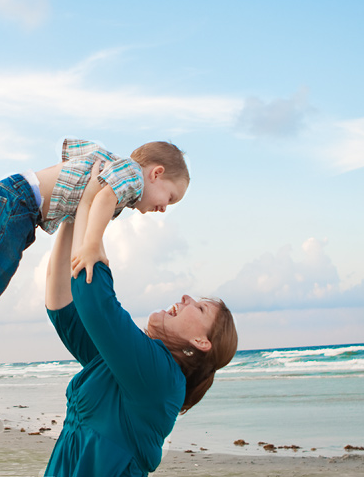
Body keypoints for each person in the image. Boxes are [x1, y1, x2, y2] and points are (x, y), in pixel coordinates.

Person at [0, 138, 190, 378]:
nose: (165, 208)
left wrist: (95, 246)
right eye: (171, 197)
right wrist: (92, 246)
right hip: (19, 201)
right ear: (156, 173)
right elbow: (102, 200)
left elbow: (89, 195)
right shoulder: (131, 175)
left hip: (20, 204)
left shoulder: (118, 172)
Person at [42, 176, 237, 476]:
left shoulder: (163, 379)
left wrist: (89, 207)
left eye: (199, 307)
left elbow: (96, 303)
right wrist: (72, 215)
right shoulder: (128, 367)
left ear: (201, 342)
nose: (186, 297)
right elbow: (63, 309)